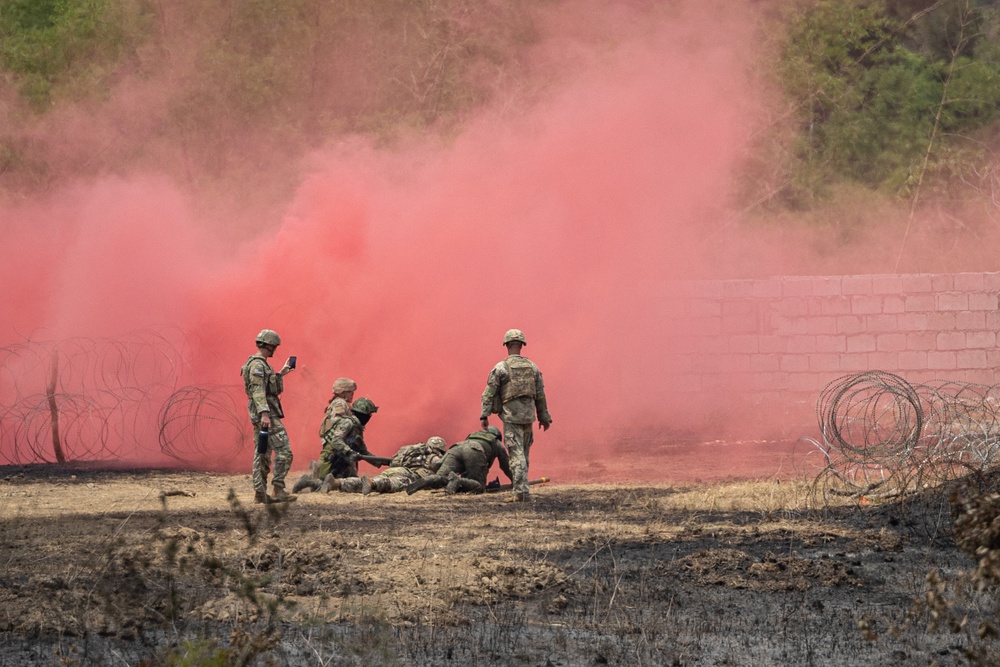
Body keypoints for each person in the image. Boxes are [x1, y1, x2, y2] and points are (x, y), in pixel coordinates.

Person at [480, 329, 552, 502]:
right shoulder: (533, 367)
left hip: (511, 416)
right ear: (522, 345)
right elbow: (540, 394)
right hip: (528, 416)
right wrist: (544, 416)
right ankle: (523, 489)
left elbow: (489, 393)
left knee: (516, 454)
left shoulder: (501, 367)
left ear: (506, 345)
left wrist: (484, 414)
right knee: (525, 455)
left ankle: (520, 493)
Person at [241, 328, 296, 504]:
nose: (275, 350)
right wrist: (264, 414)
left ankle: (260, 493)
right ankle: (278, 488)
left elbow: (269, 388)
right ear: (269, 345)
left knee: (263, 452)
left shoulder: (261, 365)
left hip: (264, 414)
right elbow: (258, 391)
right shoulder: (257, 365)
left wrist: (281, 374)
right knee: (284, 451)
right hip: (266, 416)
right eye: (274, 346)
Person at [406, 427, 512, 495]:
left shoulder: (473, 435)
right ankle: (457, 480)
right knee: (479, 487)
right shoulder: (496, 442)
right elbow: (506, 466)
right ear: (497, 435)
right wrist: (516, 481)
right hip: (474, 450)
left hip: (456, 448)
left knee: (441, 479)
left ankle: (427, 480)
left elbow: (466, 466)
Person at [324, 436, 447, 494]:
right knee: (390, 484)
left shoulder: (414, 452)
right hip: (410, 476)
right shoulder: (435, 458)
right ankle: (373, 484)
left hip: (396, 469)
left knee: (372, 480)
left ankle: (337, 483)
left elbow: (394, 460)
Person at [315, 397, 379, 491]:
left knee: (349, 483)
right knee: (322, 484)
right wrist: (349, 452)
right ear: (363, 415)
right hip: (332, 459)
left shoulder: (358, 429)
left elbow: (363, 451)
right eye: (368, 414)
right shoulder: (348, 423)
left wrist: (379, 462)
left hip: (343, 461)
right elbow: (336, 440)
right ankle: (307, 481)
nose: (369, 417)